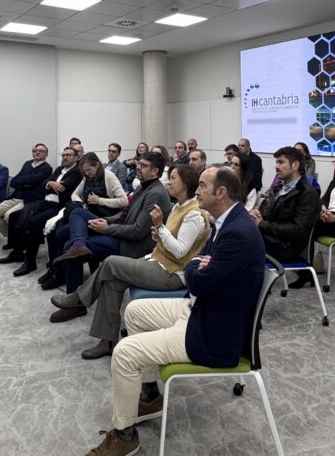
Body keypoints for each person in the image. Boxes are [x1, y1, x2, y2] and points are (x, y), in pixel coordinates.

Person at [84, 166, 264, 456]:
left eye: (203, 186)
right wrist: (198, 265)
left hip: (212, 332)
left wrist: (196, 266)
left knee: (125, 352)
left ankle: (125, 435)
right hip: (201, 308)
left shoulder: (238, 233)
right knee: (134, 312)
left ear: (221, 193)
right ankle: (150, 395)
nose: (197, 191)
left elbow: (196, 274)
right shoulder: (228, 222)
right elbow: (198, 266)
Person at [49, 164, 205, 359]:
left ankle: (79, 298)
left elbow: (181, 252)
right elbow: (168, 241)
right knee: (112, 280)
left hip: (172, 273)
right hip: (157, 261)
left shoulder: (193, 214)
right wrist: (159, 233)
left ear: (186, 183)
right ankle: (107, 340)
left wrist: (160, 227)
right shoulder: (178, 206)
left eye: (173, 178)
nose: (169, 181)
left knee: (112, 262)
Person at [50, 151, 172, 295]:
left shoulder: (155, 193)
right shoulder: (142, 187)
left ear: (155, 171)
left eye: (143, 165)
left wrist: (107, 228)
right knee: (76, 214)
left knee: (69, 244)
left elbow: (137, 231)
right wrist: (106, 221)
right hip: (119, 230)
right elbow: (124, 213)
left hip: (131, 246)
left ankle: (74, 299)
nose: (138, 167)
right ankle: (78, 248)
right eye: (139, 163)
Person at [31, 152, 128, 284]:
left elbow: (124, 201)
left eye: (89, 170)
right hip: (87, 215)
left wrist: (99, 200)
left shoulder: (109, 177)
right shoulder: (86, 177)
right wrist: (82, 203)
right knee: (58, 232)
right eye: (84, 171)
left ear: (97, 165)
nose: (86, 173)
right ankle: (57, 270)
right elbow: (75, 194)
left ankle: (61, 274)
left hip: (103, 218)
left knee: (66, 236)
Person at [0, 147, 81, 273]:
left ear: (76, 157)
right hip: (45, 202)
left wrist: (50, 184)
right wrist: (51, 184)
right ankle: (17, 252)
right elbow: (44, 184)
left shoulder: (76, 171)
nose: (65, 157)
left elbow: (64, 187)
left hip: (58, 206)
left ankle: (30, 262)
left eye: (69, 155)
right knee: (15, 216)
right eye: (63, 155)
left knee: (34, 222)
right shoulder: (59, 169)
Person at [250, 146, 320, 288]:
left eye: (281, 162)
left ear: (295, 165)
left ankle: (253, 290)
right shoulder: (279, 188)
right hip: (274, 240)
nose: (276, 166)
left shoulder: (308, 194)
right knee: (240, 235)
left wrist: (262, 224)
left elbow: (298, 231)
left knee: (243, 243)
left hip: (288, 247)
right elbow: (271, 218)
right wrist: (259, 215)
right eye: (277, 162)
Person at [0, 144, 52, 246]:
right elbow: (13, 181)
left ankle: (15, 241)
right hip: (15, 197)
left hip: (29, 199)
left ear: (46, 155)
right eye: (35, 150)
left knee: (9, 216)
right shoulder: (27, 164)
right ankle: (13, 238)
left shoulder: (47, 168)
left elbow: (35, 180)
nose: (37, 152)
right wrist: (26, 182)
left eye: (41, 151)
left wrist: (24, 181)